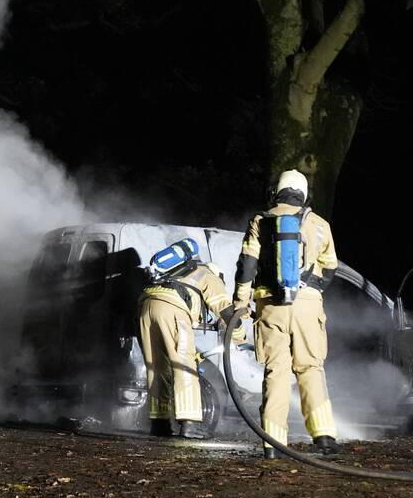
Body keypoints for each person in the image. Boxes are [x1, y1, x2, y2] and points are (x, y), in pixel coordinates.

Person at [232, 169, 340, 458]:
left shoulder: (260, 220)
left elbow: (247, 265)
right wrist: (308, 290)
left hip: (270, 306)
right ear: (304, 195)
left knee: (276, 371)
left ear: (275, 192)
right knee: (311, 368)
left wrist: (240, 303)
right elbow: (330, 268)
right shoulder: (320, 224)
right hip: (308, 306)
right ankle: (324, 437)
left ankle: (273, 443)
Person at [138, 238, 235, 439]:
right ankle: (189, 423)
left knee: (157, 367)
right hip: (172, 308)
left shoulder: (177, 272)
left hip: (146, 305)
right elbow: (226, 311)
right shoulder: (208, 275)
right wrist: (240, 337)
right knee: (184, 365)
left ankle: (159, 423)